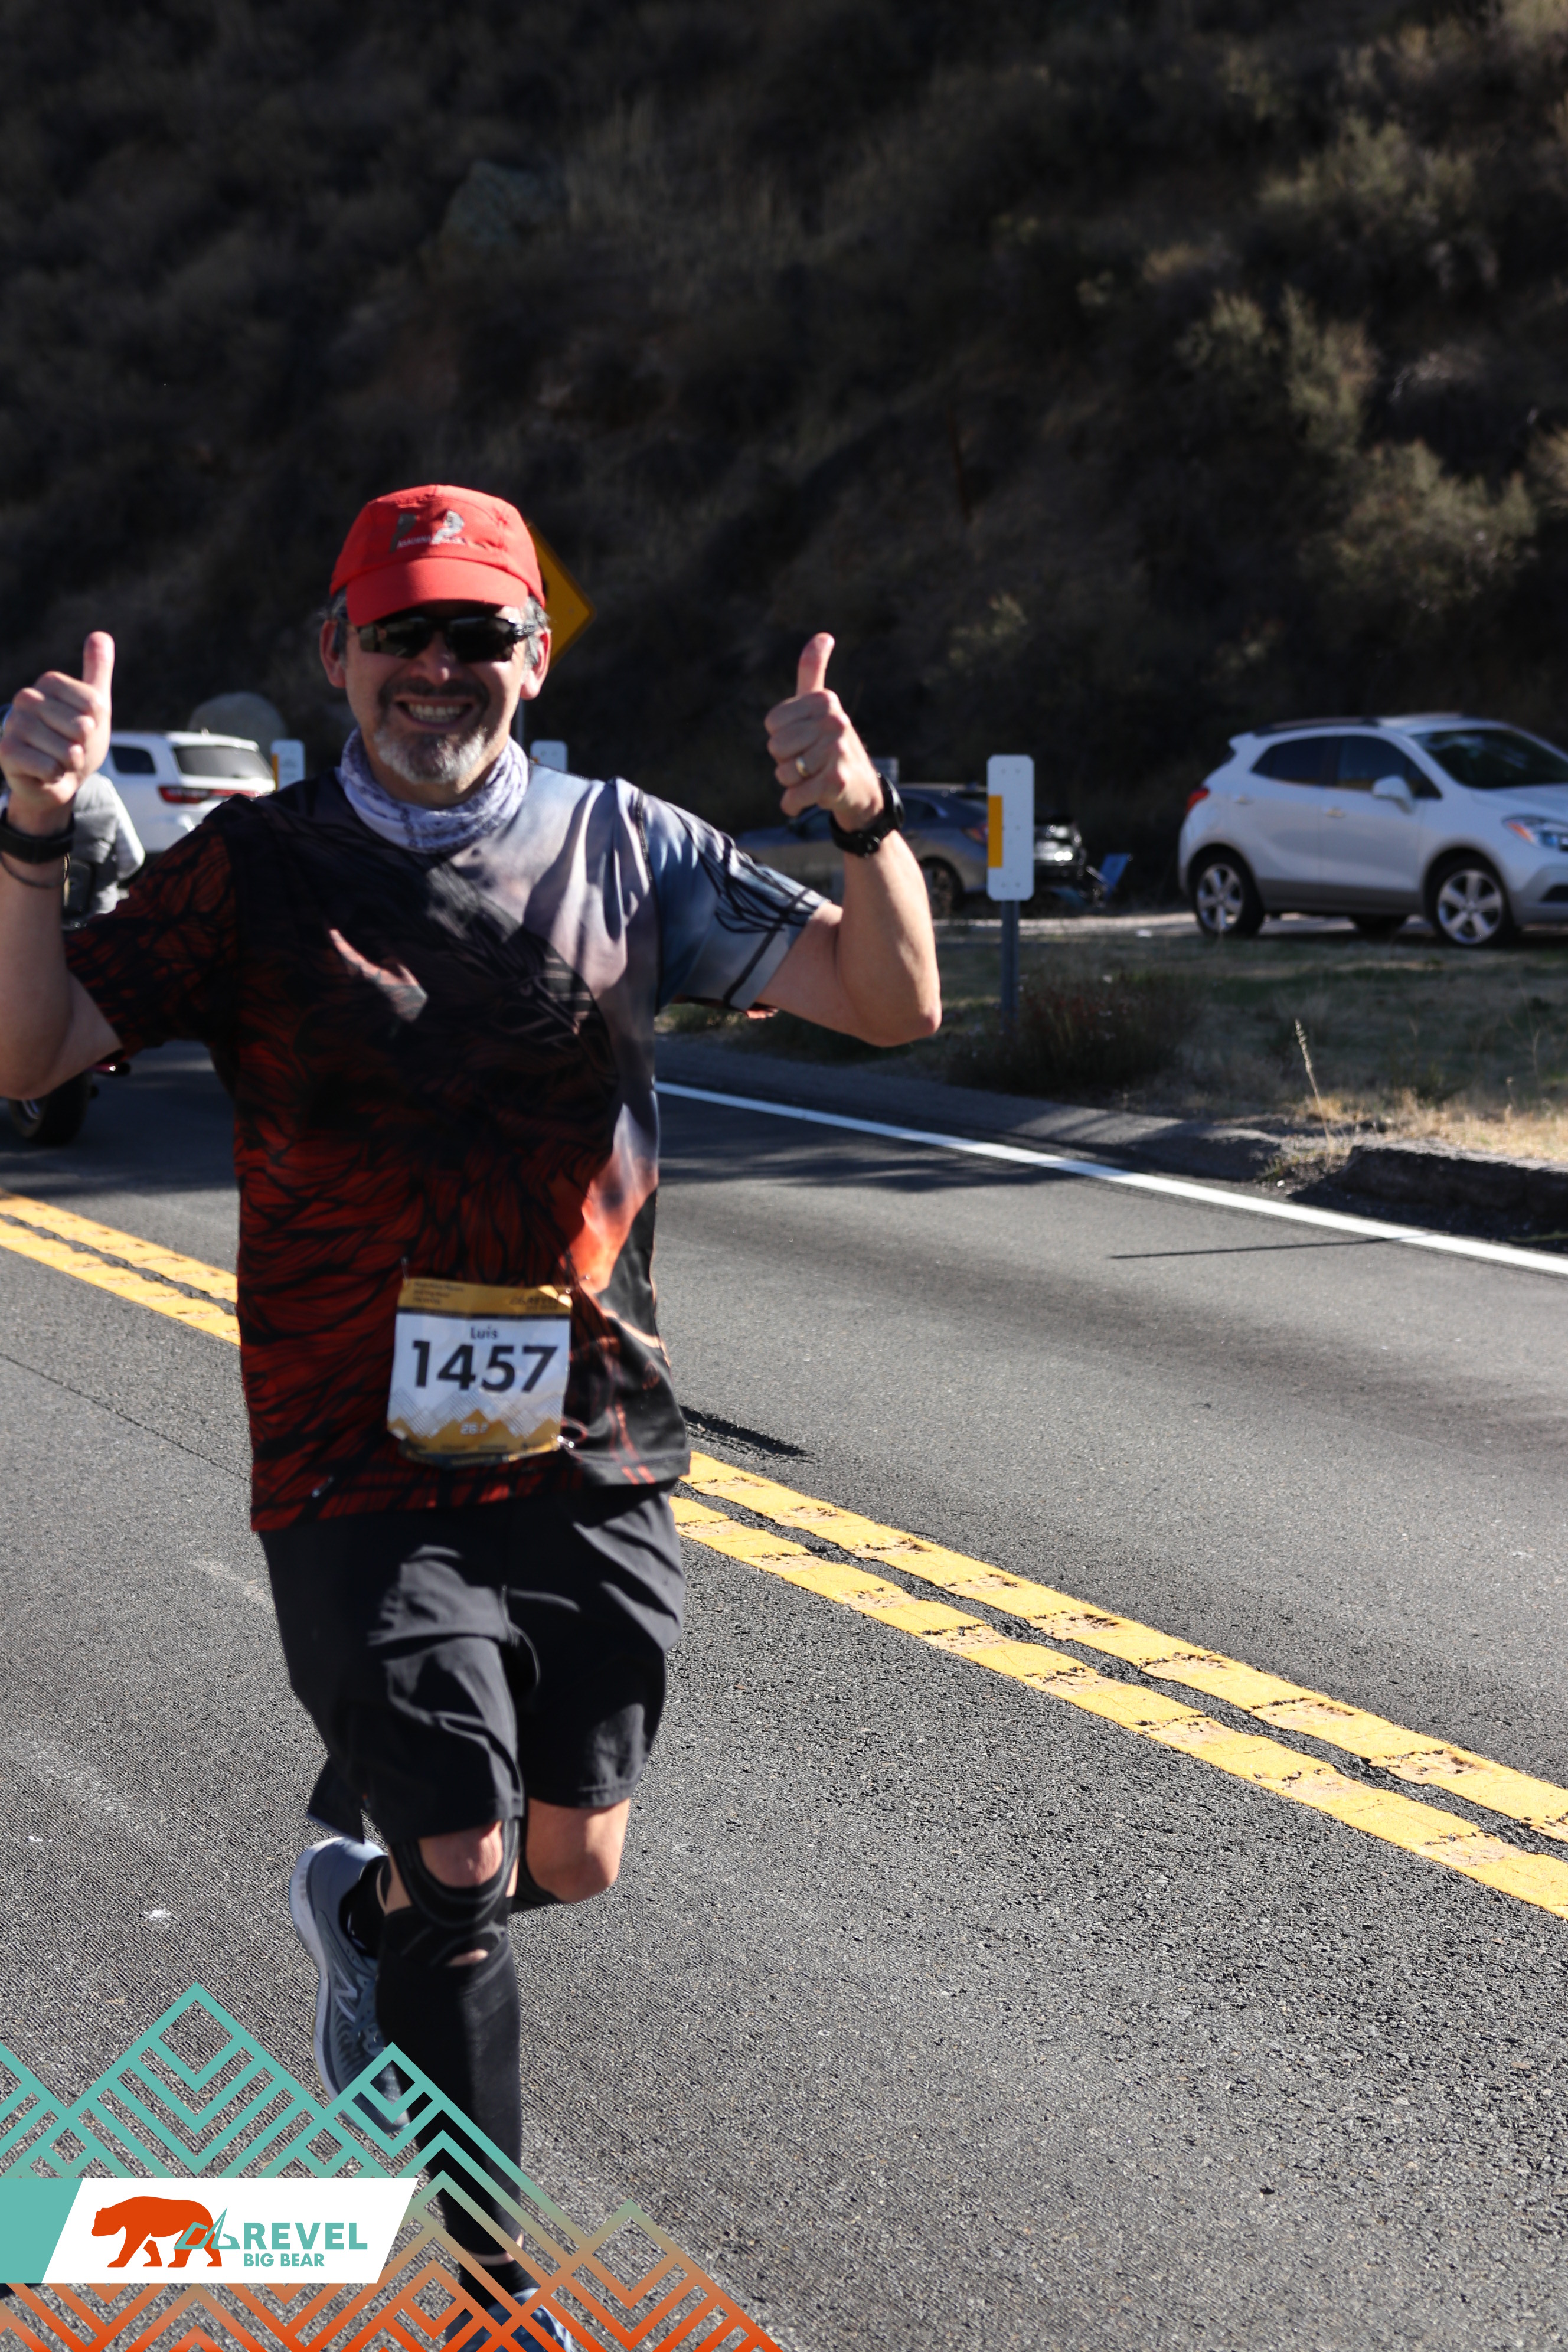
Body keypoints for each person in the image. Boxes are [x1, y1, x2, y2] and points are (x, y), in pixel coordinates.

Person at [0, 484, 939, 2335]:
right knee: (466, 1858)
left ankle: (369, 1922)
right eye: (399, 633)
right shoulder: (255, 869)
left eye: (476, 633)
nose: (435, 667)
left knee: (568, 1856)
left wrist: (864, 818)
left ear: (536, 654)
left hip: (590, 1431)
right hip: (347, 1443)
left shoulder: (629, 846)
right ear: (335, 653)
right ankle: (495, 2296)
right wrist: (33, 835)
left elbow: (890, 1000)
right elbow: (29, 1053)